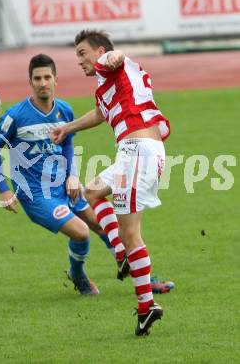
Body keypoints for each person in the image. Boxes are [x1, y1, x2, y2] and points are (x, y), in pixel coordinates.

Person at [51, 30, 171, 336]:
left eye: (82, 53)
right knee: (91, 191)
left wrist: (113, 57)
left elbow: (114, 59)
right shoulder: (107, 86)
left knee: (132, 236)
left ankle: (147, 306)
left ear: (99, 50)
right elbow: (100, 113)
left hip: (138, 151)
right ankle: (120, 255)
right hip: (135, 152)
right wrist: (67, 128)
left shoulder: (110, 63)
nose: (79, 61)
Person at [0, 53, 130, 296]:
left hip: (64, 185)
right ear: (30, 82)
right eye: (37, 78)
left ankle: (137, 271)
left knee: (105, 225)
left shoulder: (64, 110)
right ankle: (77, 274)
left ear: (55, 80)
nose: (42, 82)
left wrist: (72, 175)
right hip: (36, 195)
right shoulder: (15, 116)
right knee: (81, 232)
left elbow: (67, 144)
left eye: (47, 77)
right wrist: (4, 190)